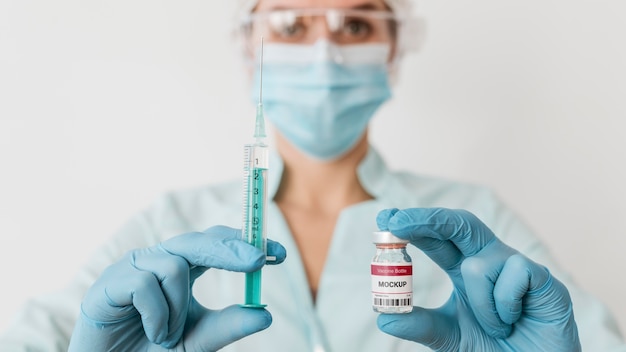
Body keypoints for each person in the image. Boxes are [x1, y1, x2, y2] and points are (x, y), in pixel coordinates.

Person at [1, 0, 625, 351]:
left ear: (393, 48)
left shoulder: (472, 226)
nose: (325, 53)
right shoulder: (171, 227)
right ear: (250, 47)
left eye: (356, 23)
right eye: (292, 25)